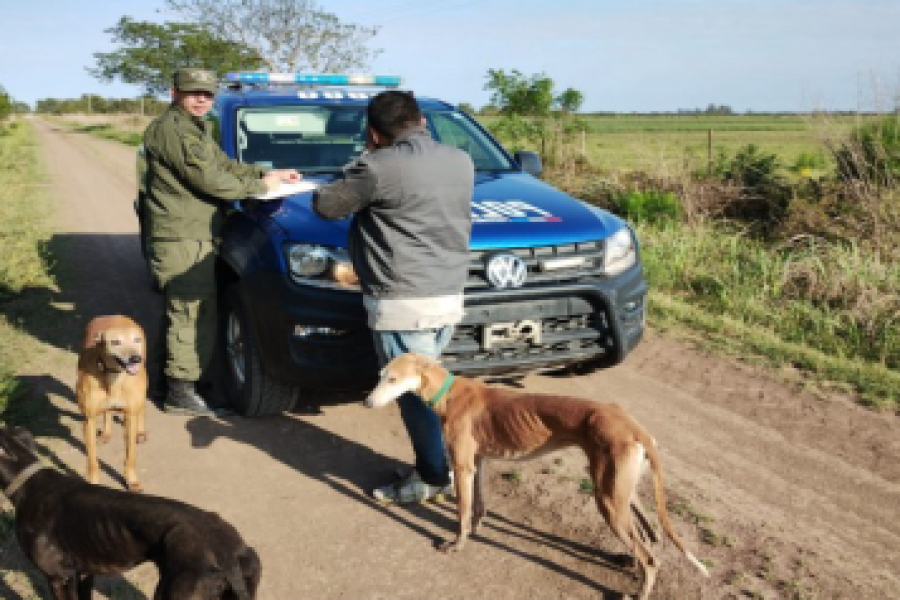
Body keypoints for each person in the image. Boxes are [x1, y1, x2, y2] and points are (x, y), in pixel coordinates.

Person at [313, 90, 475, 503]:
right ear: (422, 121)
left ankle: (435, 476)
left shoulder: (376, 166)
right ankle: (450, 465)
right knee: (436, 385)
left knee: (417, 396)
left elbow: (327, 205)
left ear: (374, 133)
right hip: (448, 295)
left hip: (403, 300)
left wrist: (361, 161)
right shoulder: (460, 160)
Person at [141, 67, 300, 416]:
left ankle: (174, 381)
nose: (201, 99)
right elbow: (210, 179)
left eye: (207, 94)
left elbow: (223, 164)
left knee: (185, 310)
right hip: (181, 235)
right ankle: (180, 393)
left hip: (193, 231)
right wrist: (262, 188)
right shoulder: (173, 131)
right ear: (174, 93)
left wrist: (264, 173)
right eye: (193, 92)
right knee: (189, 310)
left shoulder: (194, 127)